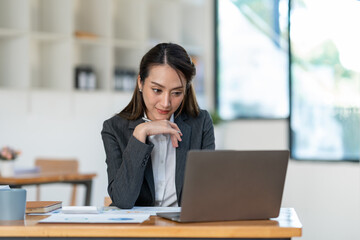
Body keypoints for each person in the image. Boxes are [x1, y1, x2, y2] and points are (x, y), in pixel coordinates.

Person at [101, 43, 215, 209]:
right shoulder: (114, 129)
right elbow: (123, 200)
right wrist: (141, 133)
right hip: (140, 231)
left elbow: (208, 193)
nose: (166, 103)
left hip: (184, 229)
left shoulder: (201, 122)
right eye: (157, 90)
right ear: (140, 82)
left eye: (176, 93)